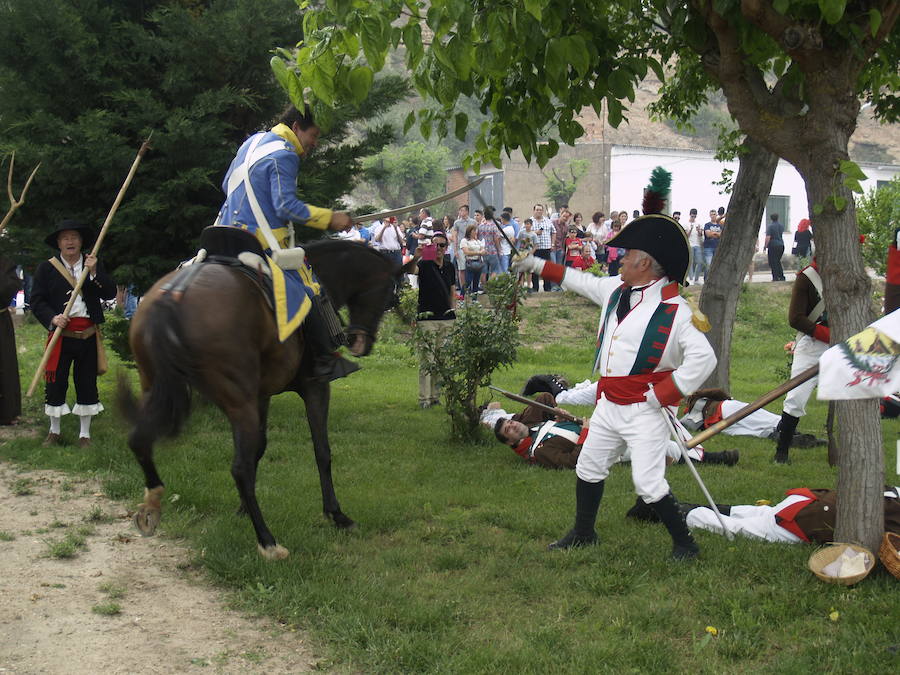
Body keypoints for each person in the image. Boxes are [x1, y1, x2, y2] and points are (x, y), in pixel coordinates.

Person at [513, 214, 716, 560]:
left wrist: (663, 396)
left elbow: (704, 358)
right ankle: (583, 532)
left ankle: (686, 546)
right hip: (608, 404)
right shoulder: (615, 290)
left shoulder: (676, 309)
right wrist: (535, 263)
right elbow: (576, 280)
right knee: (588, 466)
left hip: (645, 410)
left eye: (627, 254)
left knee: (649, 484)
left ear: (645, 263)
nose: (620, 259)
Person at [216, 105, 356, 380]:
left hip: (222, 234)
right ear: (296, 128)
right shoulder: (285, 154)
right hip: (255, 241)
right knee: (308, 285)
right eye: (313, 135)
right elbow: (287, 207)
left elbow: (226, 184)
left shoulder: (252, 142)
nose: (315, 143)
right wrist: (331, 219)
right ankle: (327, 359)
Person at [486, 389, 738, 468]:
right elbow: (574, 461)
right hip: (600, 447)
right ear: (510, 443)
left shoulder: (531, 424)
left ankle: (682, 456)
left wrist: (556, 412)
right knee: (650, 445)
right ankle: (716, 459)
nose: (513, 425)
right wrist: (584, 433)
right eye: (508, 429)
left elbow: (542, 398)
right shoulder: (539, 453)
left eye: (510, 421)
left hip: (600, 429)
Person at [31, 220, 116, 446]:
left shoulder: (92, 264)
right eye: (65, 238)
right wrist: (52, 317)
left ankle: (84, 434)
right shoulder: (46, 268)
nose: (70, 242)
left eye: (74, 237)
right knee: (56, 383)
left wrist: (95, 272)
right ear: (58, 243)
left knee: (87, 382)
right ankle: (54, 431)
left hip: (87, 334)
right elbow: (37, 301)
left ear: (81, 242)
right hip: (60, 335)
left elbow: (109, 293)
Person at [628, 486, 900, 544]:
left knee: (757, 513)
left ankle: (675, 504)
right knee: (735, 528)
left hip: (807, 502)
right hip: (807, 519)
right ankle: (661, 510)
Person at [773, 258, 829, 464]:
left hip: (845, 343)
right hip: (814, 344)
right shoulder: (807, 277)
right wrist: (830, 335)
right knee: (796, 397)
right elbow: (795, 318)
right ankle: (781, 453)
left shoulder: (851, 273)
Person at [410, 232, 456, 408]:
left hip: (447, 318)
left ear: (446, 248)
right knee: (427, 360)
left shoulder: (450, 266)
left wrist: (454, 313)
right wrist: (416, 256)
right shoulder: (425, 264)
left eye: (442, 245)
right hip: (427, 319)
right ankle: (424, 398)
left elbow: (452, 290)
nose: (438, 248)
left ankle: (436, 396)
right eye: (435, 245)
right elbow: (410, 271)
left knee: (442, 360)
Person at [0, 255, 21, 425]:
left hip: (0, 323)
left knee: (4, 365)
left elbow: (11, 287)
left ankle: (6, 412)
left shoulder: (4, 262)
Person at [450, 205, 475, 292]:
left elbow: (476, 235)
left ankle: (471, 287)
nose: (461, 212)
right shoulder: (457, 223)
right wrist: (455, 250)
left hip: (471, 247)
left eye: (462, 210)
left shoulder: (473, 222)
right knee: (461, 268)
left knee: (472, 268)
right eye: (460, 210)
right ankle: (463, 288)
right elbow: (455, 236)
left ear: (467, 211)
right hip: (461, 248)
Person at [531, 204, 554, 292]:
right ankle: (535, 288)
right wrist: (535, 232)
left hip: (546, 248)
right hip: (534, 249)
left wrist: (552, 244)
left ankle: (547, 288)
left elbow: (554, 232)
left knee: (547, 269)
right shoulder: (530, 221)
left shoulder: (548, 221)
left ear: (543, 211)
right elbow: (524, 233)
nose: (539, 211)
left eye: (540, 210)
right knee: (535, 269)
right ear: (534, 211)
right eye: (537, 210)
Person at [460, 225, 486, 295]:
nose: (475, 232)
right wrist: (478, 252)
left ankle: (474, 300)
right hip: (470, 262)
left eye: (476, 231)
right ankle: (462, 296)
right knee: (468, 281)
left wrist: (482, 251)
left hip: (478, 262)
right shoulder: (464, 240)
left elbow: (482, 249)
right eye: (473, 231)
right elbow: (466, 252)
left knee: (476, 282)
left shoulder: (477, 241)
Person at [765, 213, 786, 281]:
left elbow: (768, 237)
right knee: (777, 261)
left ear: (771, 218)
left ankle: (775, 277)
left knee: (773, 262)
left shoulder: (770, 226)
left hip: (773, 245)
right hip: (781, 245)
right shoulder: (781, 226)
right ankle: (781, 276)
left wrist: (765, 246)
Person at [685, 208, 703, 284]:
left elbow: (701, 235)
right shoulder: (685, 224)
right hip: (690, 245)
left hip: (697, 245)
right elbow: (686, 236)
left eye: (694, 216)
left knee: (699, 262)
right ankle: (691, 279)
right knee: (690, 262)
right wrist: (691, 229)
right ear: (690, 215)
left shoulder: (698, 223)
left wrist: (699, 230)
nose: (693, 218)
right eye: (692, 216)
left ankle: (696, 279)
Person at [702, 210, 721, 282]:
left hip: (717, 247)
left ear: (716, 215)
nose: (713, 216)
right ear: (710, 216)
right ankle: (706, 280)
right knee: (709, 265)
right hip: (708, 248)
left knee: (716, 265)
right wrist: (717, 234)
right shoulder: (707, 225)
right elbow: (708, 235)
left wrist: (713, 233)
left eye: (714, 214)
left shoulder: (720, 226)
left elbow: (721, 235)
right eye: (712, 214)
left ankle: (715, 280)